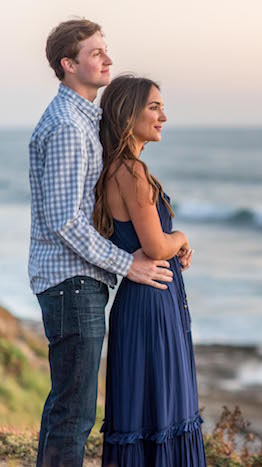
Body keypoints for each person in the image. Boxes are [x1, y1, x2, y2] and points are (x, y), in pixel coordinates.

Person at [29, 19, 177, 467]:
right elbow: (64, 222)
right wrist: (126, 263)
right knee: (74, 414)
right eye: (95, 53)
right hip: (71, 282)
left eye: (105, 50)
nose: (107, 59)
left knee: (68, 408)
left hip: (75, 281)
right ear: (68, 64)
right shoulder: (69, 129)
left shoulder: (84, 121)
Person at [95, 75, 204, 466]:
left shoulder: (115, 169)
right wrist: (181, 238)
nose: (163, 117)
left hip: (146, 298)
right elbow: (156, 245)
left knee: (145, 411)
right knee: (163, 412)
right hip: (151, 305)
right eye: (154, 107)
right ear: (128, 114)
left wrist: (172, 249)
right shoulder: (131, 171)